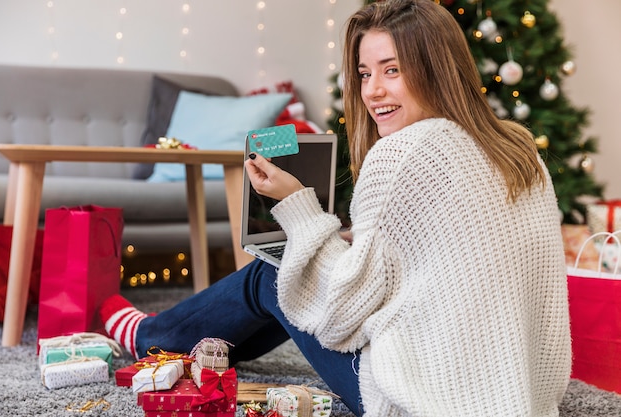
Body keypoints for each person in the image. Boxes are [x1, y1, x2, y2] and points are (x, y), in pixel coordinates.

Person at [100, 0, 572, 415]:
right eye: (365, 74)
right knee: (296, 277)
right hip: (520, 395)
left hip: (417, 399)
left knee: (273, 275)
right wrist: (352, 244)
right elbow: (449, 268)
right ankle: (192, 349)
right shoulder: (519, 149)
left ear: (435, 68)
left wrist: (296, 205)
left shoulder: (402, 154)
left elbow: (341, 313)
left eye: (392, 70)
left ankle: (152, 338)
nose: (372, 92)